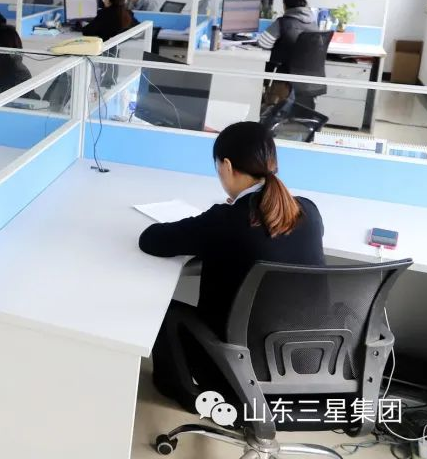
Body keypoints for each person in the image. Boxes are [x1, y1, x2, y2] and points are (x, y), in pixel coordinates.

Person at [138, 122, 325, 410]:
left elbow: (151, 240)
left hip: (237, 367)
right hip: (305, 362)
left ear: (226, 166)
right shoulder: (308, 211)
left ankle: (183, 392)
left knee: (165, 310)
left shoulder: (226, 221)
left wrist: (224, 216)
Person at [257, 0, 318, 68]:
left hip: (283, 71)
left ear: (285, 5)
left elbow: (263, 43)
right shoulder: (313, 24)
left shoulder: (282, 22)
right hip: (309, 72)